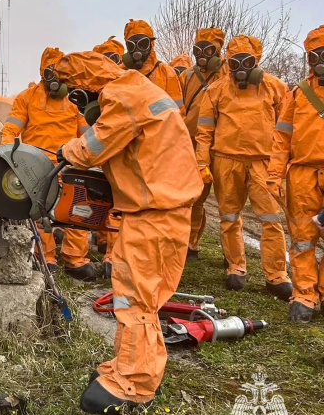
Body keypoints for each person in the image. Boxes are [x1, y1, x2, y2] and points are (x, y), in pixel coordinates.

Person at [55, 51, 201, 414]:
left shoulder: (122, 96)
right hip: (147, 211)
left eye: (77, 96)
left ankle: (134, 385)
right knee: (126, 294)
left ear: (84, 90)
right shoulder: (136, 88)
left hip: (157, 215)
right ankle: (123, 366)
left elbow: (93, 148)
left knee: (136, 300)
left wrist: (64, 150)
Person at [195, 35, 292, 298]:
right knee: (229, 216)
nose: (240, 67)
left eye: (246, 61)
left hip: (264, 162)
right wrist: (202, 162)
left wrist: (283, 163)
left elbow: (286, 130)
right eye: (235, 61)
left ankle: (276, 275)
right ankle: (235, 267)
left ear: (256, 61)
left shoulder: (275, 87)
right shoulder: (216, 90)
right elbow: (204, 131)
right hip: (226, 161)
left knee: (271, 218)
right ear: (228, 61)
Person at [1, 47, 96, 281]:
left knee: (78, 211)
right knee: (39, 213)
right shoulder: (27, 97)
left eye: (59, 74)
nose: (54, 81)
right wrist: (6, 155)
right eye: (49, 73)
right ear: (42, 74)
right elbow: (11, 128)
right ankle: (46, 257)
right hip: (37, 167)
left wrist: (92, 156)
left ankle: (75, 259)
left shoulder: (75, 101)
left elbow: (88, 135)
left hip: (71, 165)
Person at [267, 24, 324, 322]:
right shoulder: (298, 94)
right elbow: (282, 139)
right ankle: (304, 294)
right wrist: (274, 175)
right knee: (302, 238)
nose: (319, 62)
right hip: (302, 175)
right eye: (315, 56)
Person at [180, 28, 229, 260]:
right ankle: (191, 243)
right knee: (195, 197)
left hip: (223, 146)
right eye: (198, 49)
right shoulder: (188, 76)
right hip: (191, 143)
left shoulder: (229, 74)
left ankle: (232, 257)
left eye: (208, 50)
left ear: (218, 51)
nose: (202, 54)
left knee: (228, 203)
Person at [92, 36, 126, 277]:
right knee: (101, 196)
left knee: (120, 203)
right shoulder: (93, 86)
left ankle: (113, 256)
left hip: (123, 150)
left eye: (112, 59)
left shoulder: (128, 86)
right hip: (103, 148)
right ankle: (105, 242)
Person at [122, 19, 185, 115]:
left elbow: (177, 109)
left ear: (151, 44)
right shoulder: (121, 73)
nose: (137, 50)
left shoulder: (166, 72)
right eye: (131, 46)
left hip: (160, 128)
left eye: (143, 44)